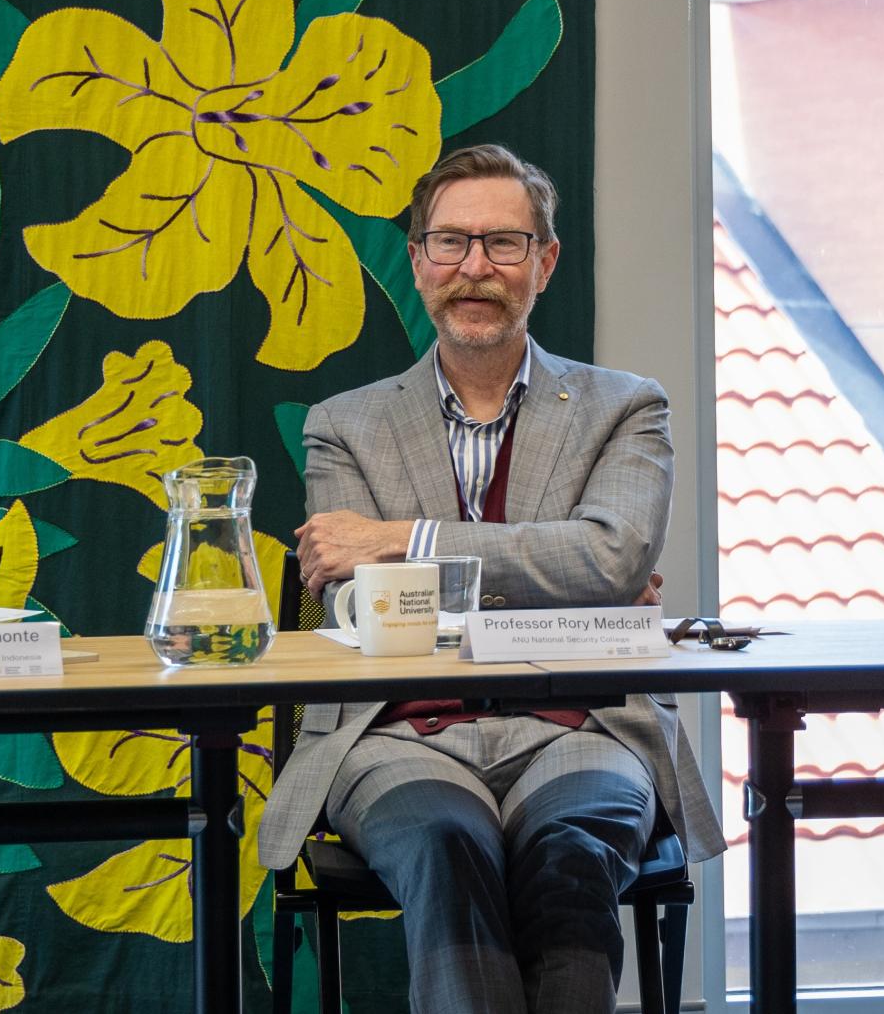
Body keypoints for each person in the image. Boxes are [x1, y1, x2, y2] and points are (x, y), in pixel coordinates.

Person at [259, 144, 724, 1014]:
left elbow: (612, 559)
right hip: (396, 735)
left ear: (544, 262)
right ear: (418, 261)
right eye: (451, 243)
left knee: (572, 854)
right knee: (444, 843)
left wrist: (405, 540)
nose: (475, 267)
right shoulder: (344, 426)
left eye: (504, 244)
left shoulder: (627, 407)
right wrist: (564, 573)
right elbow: (361, 607)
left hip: (583, 725)